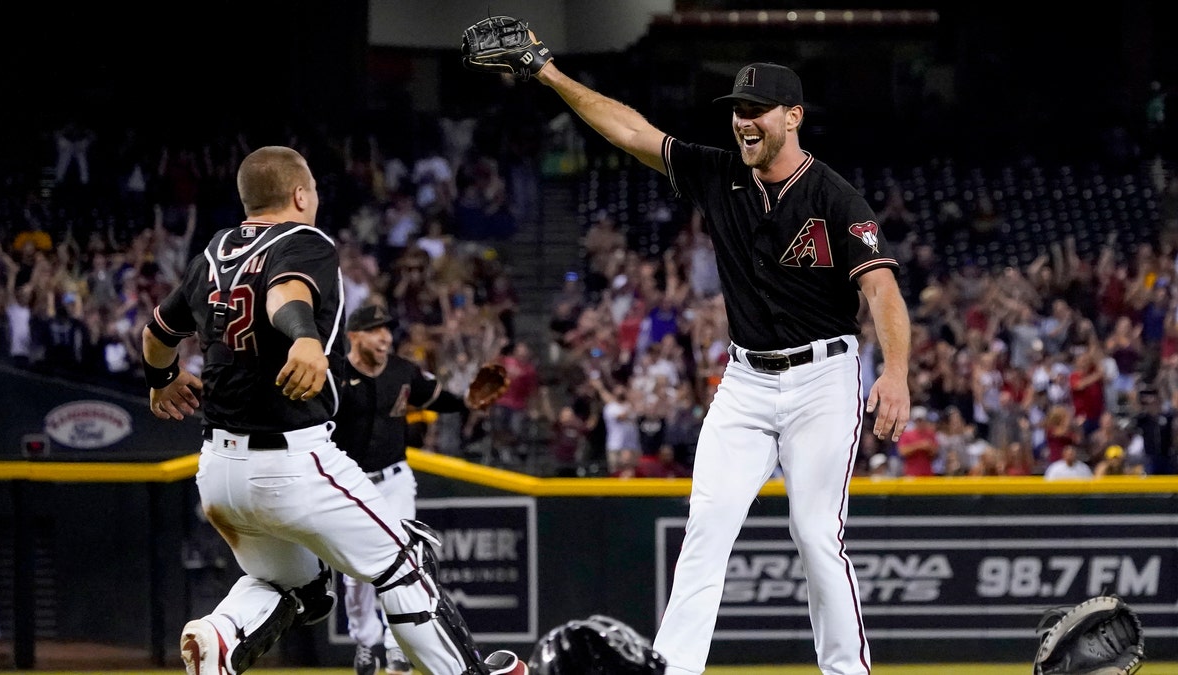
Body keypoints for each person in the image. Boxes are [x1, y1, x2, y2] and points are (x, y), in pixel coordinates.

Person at [468, 38, 911, 675]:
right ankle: (672, 671)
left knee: (816, 538)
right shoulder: (717, 171)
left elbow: (882, 290)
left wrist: (894, 372)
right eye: (737, 107)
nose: (742, 119)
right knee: (704, 529)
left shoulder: (835, 199)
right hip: (746, 379)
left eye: (758, 108)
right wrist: (548, 72)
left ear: (793, 117)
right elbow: (629, 130)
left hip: (823, 380)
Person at [141, 146, 521, 675]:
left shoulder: (215, 251)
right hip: (291, 461)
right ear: (300, 194)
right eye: (313, 188)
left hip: (219, 471)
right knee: (405, 563)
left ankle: (223, 636)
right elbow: (285, 293)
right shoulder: (304, 240)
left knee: (301, 588)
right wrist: (303, 338)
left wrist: (160, 377)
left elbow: (158, 331)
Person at [334, 302, 480, 675]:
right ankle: (366, 642)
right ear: (354, 335)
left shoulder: (402, 370)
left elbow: (436, 396)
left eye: (387, 329)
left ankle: (397, 645)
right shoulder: (334, 372)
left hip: (394, 478)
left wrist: (467, 402)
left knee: (403, 561)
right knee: (355, 572)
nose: (385, 336)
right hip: (350, 484)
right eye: (375, 329)